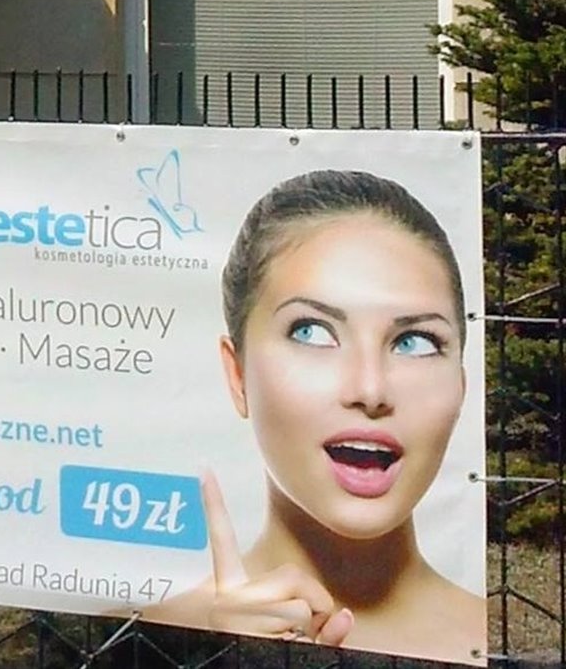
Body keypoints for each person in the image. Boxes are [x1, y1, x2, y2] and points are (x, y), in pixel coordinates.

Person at [141, 169, 483, 664]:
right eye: (312, 332)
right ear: (237, 374)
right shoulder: (135, 641)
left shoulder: (511, 644)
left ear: (461, 386)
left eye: (415, 342)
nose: (370, 390)